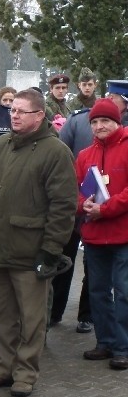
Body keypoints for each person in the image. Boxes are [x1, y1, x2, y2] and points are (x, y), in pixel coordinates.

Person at [0, 89, 77, 397]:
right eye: (12, 110)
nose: (13, 115)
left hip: (32, 252)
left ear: (39, 116)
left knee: (32, 317)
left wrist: (51, 250)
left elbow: (63, 206)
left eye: (21, 111)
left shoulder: (55, 152)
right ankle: (1, 367)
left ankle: (25, 372)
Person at [76, 99, 128, 370]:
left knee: (124, 292)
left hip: (123, 235)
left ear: (117, 122)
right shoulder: (85, 155)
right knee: (97, 292)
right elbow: (75, 189)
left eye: (105, 121)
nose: (99, 126)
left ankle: (123, 347)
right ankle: (105, 342)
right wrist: (81, 204)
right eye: (95, 122)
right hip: (95, 235)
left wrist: (104, 209)